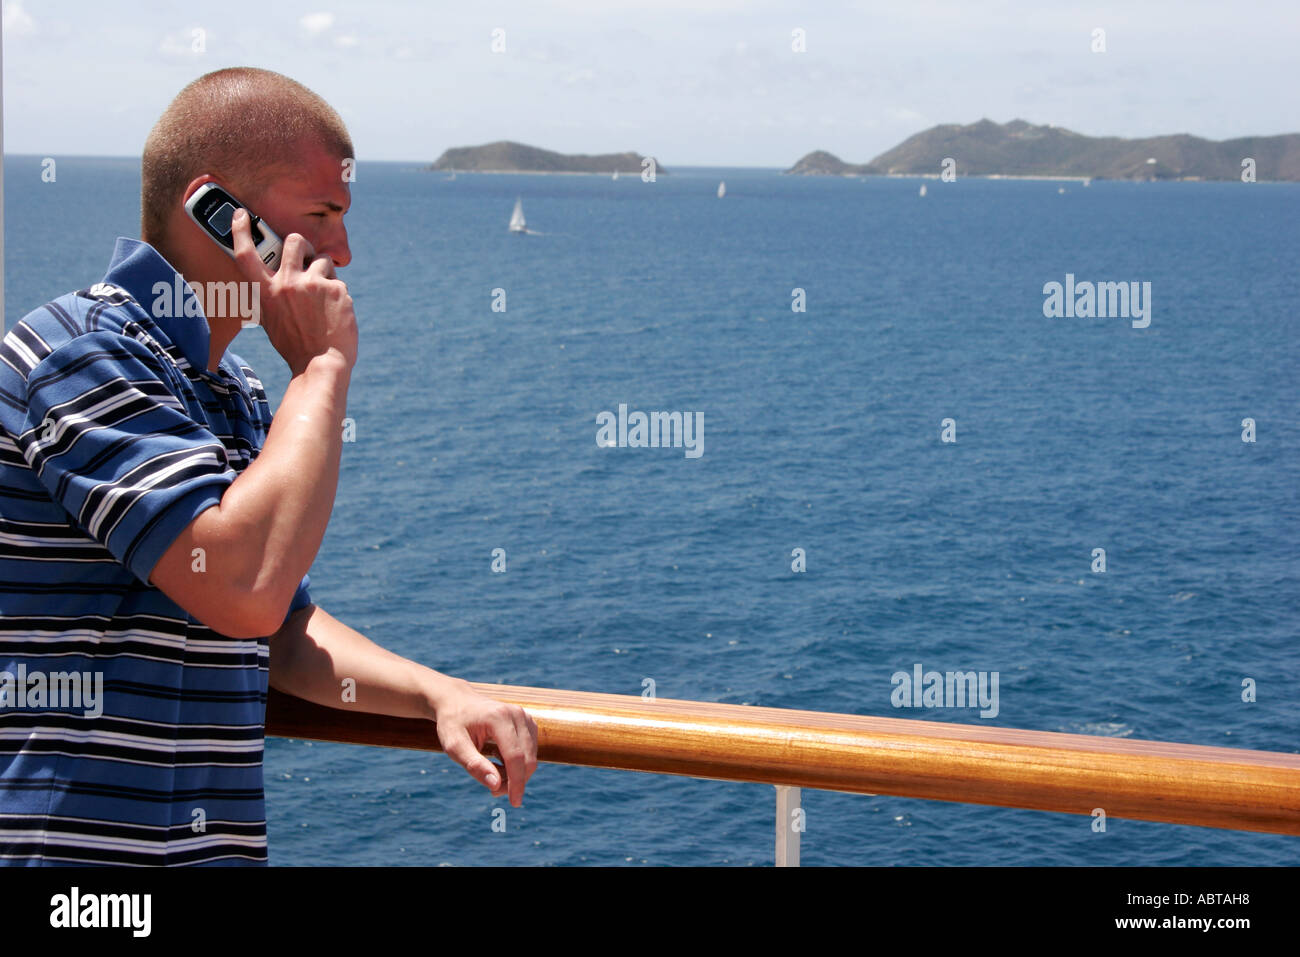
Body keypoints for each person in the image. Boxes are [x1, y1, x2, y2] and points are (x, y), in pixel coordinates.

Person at [0, 67, 537, 865]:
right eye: (321, 214)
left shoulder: (237, 392)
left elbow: (278, 630)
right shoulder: (80, 354)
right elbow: (241, 587)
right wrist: (320, 370)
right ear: (216, 212)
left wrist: (437, 693)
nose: (344, 251)